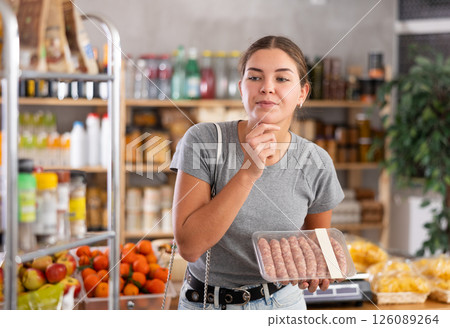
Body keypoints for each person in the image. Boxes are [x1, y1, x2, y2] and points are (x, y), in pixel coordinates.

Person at [170, 35, 344, 310]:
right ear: (241, 88)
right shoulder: (203, 140)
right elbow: (189, 247)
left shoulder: (316, 161)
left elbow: (317, 249)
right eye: (255, 77)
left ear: (302, 94)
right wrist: (247, 174)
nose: (267, 88)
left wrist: (321, 268)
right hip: (207, 306)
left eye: (282, 79)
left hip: (283, 305)